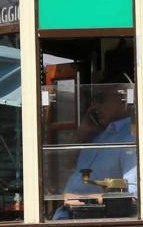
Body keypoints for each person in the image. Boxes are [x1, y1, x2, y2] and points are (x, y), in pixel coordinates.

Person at [54, 83, 138, 219]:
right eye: (91, 100)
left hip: (93, 219)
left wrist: (85, 200)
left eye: (101, 99)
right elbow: (65, 163)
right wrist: (81, 132)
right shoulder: (95, 133)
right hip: (66, 215)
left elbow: (134, 194)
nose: (94, 106)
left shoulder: (130, 137)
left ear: (123, 98)